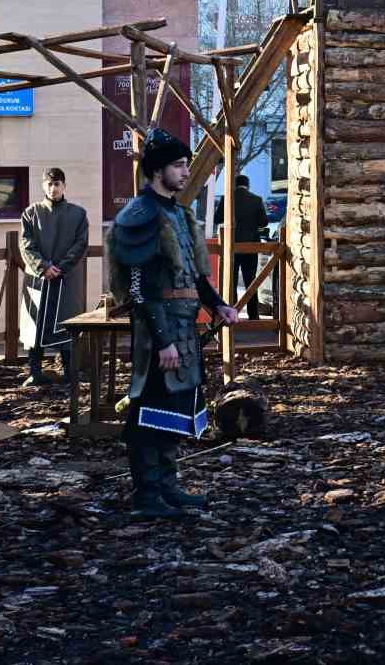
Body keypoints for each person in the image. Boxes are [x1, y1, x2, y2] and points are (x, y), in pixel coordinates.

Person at [106, 129, 237, 518]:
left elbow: (196, 274)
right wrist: (162, 340)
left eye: (184, 165)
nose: (184, 172)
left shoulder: (178, 213)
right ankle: (146, 496)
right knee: (149, 408)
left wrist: (217, 306)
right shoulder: (140, 215)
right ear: (157, 170)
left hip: (183, 327)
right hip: (157, 329)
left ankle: (167, 486)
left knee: (175, 406)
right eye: (178, 166)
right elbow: (138, 286)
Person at [18, 168, 90, 389]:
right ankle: (35, 372)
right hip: (39, 280)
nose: (53, 188)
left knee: (66, 323)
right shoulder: (31, 213)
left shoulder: (78, 214)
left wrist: (61, 267)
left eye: (57, 183)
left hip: (66, 279)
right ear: (43, 186)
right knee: (35, 324)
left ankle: (70, 373)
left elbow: (81, 244)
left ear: (64, 186)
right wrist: (43, 267)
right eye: (49, 184)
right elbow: (26, 245)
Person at [212, 174, 267, 319]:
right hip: (251, 246)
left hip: (231, 246)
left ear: (234, 185)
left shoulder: (227, 199)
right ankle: (253, 315)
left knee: (231, 281)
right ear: (247, 185)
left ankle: (232, 313)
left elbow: (217, 219)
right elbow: (264, 222)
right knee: (251, 281)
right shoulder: (256, 199)